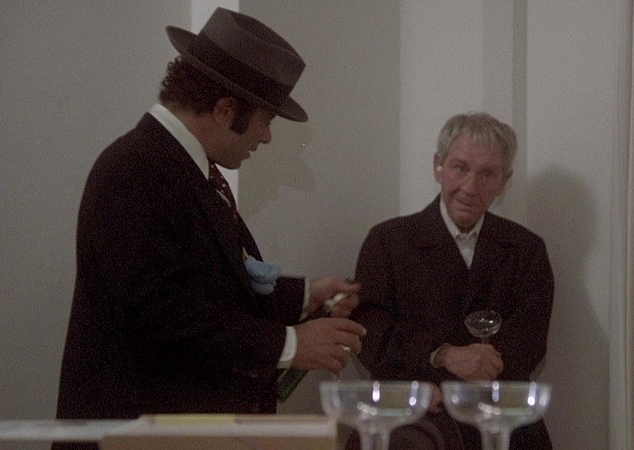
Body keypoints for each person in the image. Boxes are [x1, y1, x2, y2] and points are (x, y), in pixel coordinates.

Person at [54, 8, 365, 450]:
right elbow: (158, 315)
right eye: (266, 121)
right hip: (136, 436)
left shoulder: (180, 168)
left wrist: (303, 296)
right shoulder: (132, 169)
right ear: (224, 110)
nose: (266, 138)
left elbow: (210, 282)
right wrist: (289, 343)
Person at [350, 112, 554, 449]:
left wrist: (466, 383)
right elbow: (369, 334)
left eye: (487, 173)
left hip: (498, 417)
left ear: (504, 182)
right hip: (412, 418)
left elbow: (529, 345)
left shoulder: (526, 249)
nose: (470, 187)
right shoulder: (388, 241)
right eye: (460, 167)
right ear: (438, 166)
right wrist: (442, 355)